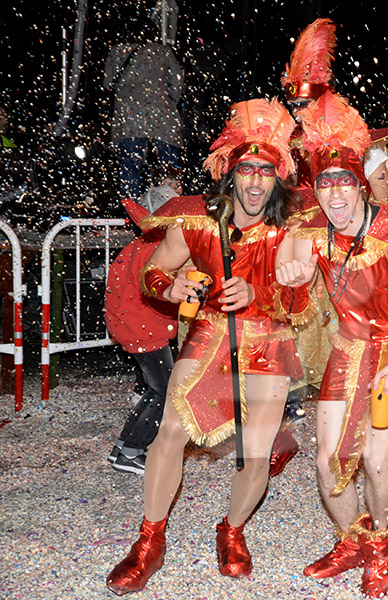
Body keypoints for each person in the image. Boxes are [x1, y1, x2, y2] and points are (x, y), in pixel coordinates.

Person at [106, 98, 310, 595]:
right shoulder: (197, 218)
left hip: (270, 342)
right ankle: (150, 539)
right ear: (230, 171)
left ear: (277, 176)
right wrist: (169, 287)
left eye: (266, 170)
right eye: (247, 169)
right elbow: (153, 269)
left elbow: (303, 300)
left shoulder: (292, 228)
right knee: (171, 431)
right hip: (209, 333)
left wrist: (264, 292)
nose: (257, 181)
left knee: (255, 454)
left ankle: (233, 529)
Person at [276, 91, 388, 598]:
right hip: (348, 349)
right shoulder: (310, 231)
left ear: (362, 185)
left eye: (344, 184)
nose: (334, 196)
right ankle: (351, 538)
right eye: (324, 184)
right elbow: (292, 308)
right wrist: (293, 281)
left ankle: (382, 544)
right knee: (326, 462)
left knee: (377, 460)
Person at [281, 18, 388, 209]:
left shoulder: (364, 145)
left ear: (322, 101)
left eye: (303, 104)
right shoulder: (292, 147)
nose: (297, 113)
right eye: (293, 106)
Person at [104, 198, 178, 475]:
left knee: (155, 389)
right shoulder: (158, 247)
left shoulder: (146, 242)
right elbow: (157, 289)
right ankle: (132, 451)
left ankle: (123, 447)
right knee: (166, 392)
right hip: (144, 327)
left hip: (135, 324)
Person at [103, 17, 183, 199]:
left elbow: (107, 82)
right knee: (168, 166)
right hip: (162, 117)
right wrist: (167, 101)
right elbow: (177, 84)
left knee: (131, 166)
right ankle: (169, 207)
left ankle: (131, 211)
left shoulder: (117, 52)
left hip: (130, 116)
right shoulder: (163, 52)